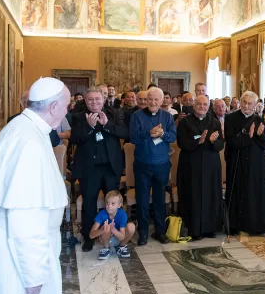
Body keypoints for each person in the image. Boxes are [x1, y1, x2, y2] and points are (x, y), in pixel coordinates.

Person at [0, 77, 70, 294]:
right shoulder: (29, 142)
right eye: (66, 106)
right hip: (14, 257)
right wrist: (34, 278)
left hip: (7, 244)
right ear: (54, 106)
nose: (67, 112)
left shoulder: (21, 126)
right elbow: (26, 217)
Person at [71, 86, 128, 252]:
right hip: (89, 169)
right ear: (86, 101)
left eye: (97, 99)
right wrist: (89, 127)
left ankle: (115, 235)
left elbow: (124, 132)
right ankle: (90, 237)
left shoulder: (114, 114)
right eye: (90, 100)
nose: (94, 102)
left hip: (111, 168)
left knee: (113, 204)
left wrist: (107, 124)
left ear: (103, 100)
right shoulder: (79, 117)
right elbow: (74, 138)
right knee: (89, 203)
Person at [130, 87, 177, 246]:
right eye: (150, 99)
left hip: (162, 164)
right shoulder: (137, 116)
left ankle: (160, 231)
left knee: (159, 198)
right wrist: (148, 133)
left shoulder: (167, 117)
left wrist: (162, 134)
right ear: (146, 100)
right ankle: (143, 232)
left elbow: (172, 136)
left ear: (162, 101)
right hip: (143, 164)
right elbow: (133, 138)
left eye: (157, 99)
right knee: (142, 199)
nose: (153, 102)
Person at [224, 91, 265, 236]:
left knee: (255, 193)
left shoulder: (258, 120)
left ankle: (257, 225)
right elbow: (232, 141)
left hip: (256, 163)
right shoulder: (231, 118)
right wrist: (249, 136)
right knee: (238, 192)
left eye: (250, 103)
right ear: (240, 102)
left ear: (255, 105)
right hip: (237, 161)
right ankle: (234, 224)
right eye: (244, 102)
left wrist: (258, 135)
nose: (246, 106)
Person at [177, 95, 224, 240]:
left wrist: (211, 141)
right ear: (194, 105)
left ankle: (210, 228)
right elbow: (181, 142)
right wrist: (198, 141)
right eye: (199, 104)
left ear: (208, 106)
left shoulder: (214, 122)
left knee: (211, 194)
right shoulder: (185, 122)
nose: (202, 107)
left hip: (211, 165)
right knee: (193, 194)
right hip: (192, 164)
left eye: (205, 104)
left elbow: (220, 143)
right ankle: (194, 229)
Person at [89, 190, 136, 260]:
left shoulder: (122, 214)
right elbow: (91, 235)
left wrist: (113, 230)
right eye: (107, 203)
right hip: (105, 238)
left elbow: (122, 237)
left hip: (118, 237)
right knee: (106, 227)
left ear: (119, 205)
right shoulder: (101, 214)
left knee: (131, 226)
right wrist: (102, 230)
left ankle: (121, 247)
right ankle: (106, 248)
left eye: (113, 203)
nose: (109, 206)